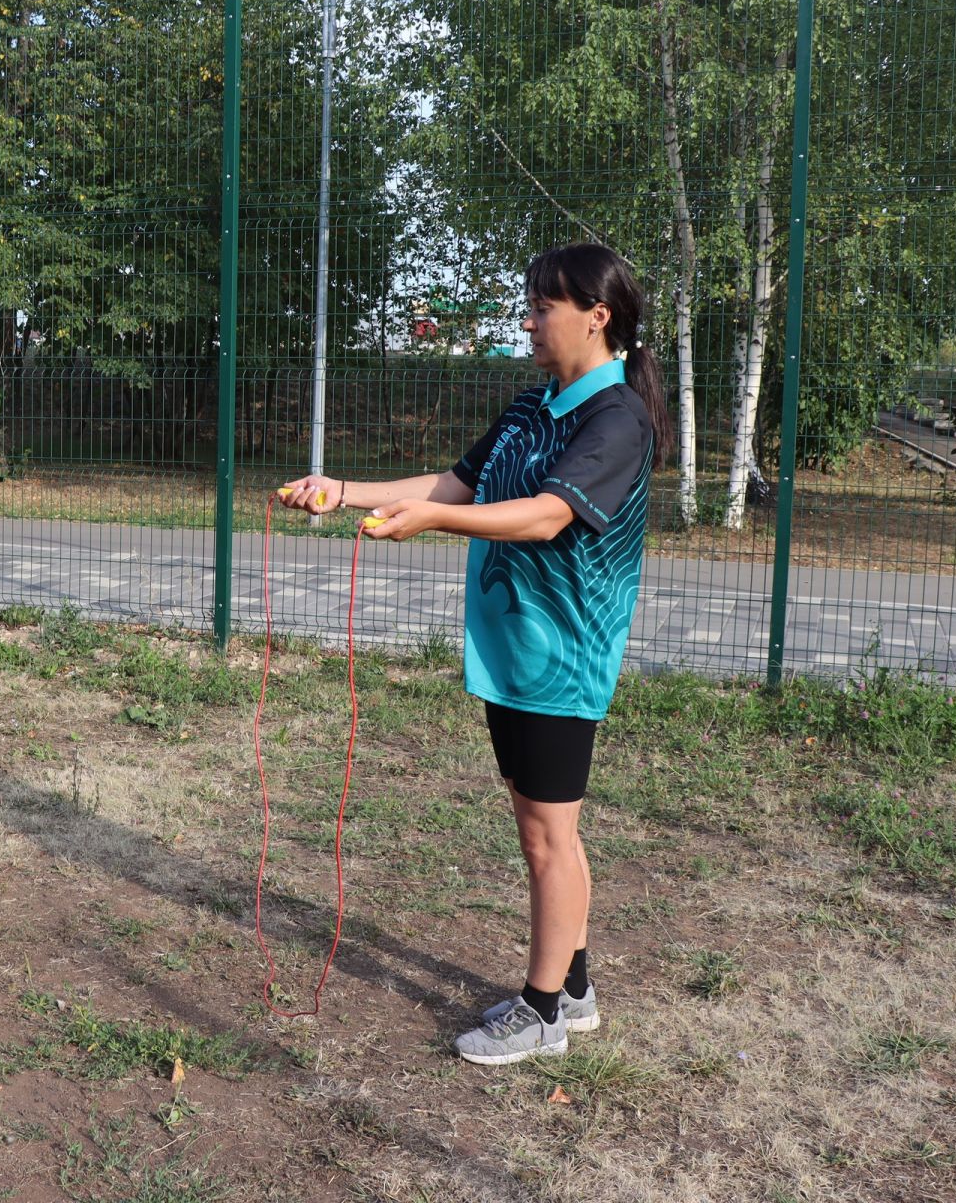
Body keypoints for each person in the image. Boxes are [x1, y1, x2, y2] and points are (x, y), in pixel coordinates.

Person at [278, 242, 671, 1065]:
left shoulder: (616, 419)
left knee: (546, 838)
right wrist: (340, 490)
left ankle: (542, 1015)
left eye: (543, 307)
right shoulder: (534, 408)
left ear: (597, 317)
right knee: (545, 824)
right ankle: (575, 987)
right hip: (511, 650)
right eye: (530, 304)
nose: (529, 320)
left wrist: (432, 525)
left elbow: (543, 517)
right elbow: (454, 485)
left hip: (564, 655)